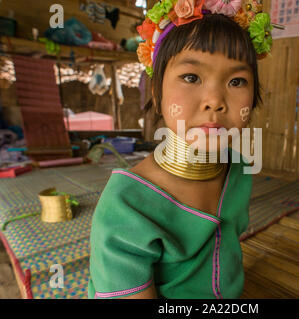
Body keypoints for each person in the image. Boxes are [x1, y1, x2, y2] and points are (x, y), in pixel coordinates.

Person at [87, 0, 274, 299]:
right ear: (157, 91)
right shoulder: (127, 206)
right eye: (191, 77)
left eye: (237, 81)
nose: (215, 100)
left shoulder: (237, 170)